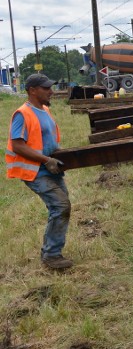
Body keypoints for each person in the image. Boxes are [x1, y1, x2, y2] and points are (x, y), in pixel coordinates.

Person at [5, 74, 73, 270]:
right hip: (35, 171)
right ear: (32, 90)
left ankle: (51, 252)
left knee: (62, 207)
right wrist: (46, 160)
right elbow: (17, 145)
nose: (51, 91)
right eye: (46, 88)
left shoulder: (45, 111)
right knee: (60, 206)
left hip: (50, 169)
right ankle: (51, 256)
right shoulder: (22, 114)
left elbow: (48, 141)